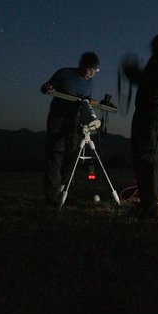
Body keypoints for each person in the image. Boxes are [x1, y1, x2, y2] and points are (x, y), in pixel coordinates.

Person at [41, 52, 100, 206]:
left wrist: (90, 102)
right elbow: (47, 88)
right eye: (91, 69)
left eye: (95, 71)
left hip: (75, 121)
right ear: (83, 65)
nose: (92, 73)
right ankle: (52, 196)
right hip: (58, 118)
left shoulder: (90, 82)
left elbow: (84, 100)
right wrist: (47, 88)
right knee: (56, 154)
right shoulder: (64, 73)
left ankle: (68, 194)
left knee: (72, 157)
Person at [131, 33, 158, 218]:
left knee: (146, 158)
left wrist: (135, 75)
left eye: (154, 44)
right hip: (151, 114)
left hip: (149, 114)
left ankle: (149, 206)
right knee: (147, 157)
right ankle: (148, 203)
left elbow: (150, 86)